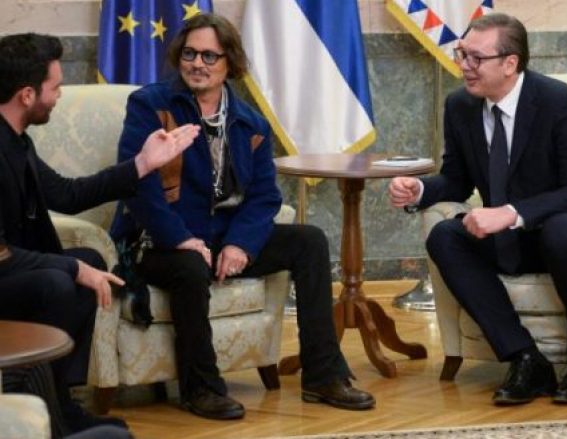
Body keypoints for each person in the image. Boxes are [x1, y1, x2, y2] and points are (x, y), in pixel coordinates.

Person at [109, 13, 375, 420]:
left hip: (221, 237)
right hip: (157, 241)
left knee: (309, 242)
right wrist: (181, 239)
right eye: (190, 54)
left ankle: (323, 376)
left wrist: (240, 244)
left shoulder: (250, 122)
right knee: (190, 266)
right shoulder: (150, 105)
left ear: (229, 63)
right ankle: (201, 388)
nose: (198, 64)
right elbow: (137, 186)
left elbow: (265, 197)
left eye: (209, 56)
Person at [389, 13, 567, 406]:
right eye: (462, 54)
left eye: (476, 58)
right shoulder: (460, 106)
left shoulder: (559, 102)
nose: (465, 65)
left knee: (562, 228)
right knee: (446, 236)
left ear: (510, 63)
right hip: (521, 238)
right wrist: (420, 189)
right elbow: (456, 180)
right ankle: (525, 359)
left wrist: (511, 212)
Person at [0, 33, 199, 436]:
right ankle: (40, 408)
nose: (59, 96)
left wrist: (142, 164)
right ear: (27, 95)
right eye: (55, 88)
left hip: (13, 271)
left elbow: (67, 195)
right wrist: (72, 268)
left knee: (89, 263)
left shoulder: (17, 141)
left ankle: (61, 401)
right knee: (60, 281)